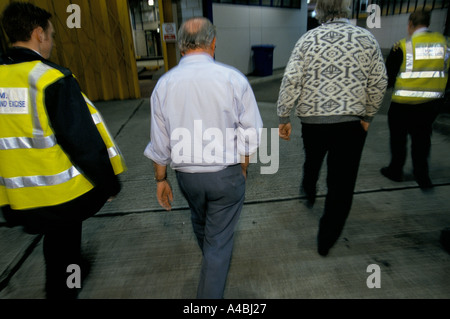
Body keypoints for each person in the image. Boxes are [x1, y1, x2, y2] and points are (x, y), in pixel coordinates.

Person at [0, 2, 126, 299]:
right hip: (59, 196)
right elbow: (82, 142)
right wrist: (109, 184)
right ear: (38, 34)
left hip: (16, 195)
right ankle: (67, 286)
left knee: (57, 246)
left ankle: (74, 271)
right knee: (64, 256)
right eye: (52, 35)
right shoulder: (51, 80)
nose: (52, 42)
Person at [144, 17, 263, 299]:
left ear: (181, 46)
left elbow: (159, 142)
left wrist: (160, 179)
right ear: (213, 42)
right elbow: (252, 132)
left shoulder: (163, 84)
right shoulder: (233, 79)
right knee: (219, 243)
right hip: (225, 173)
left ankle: (212, 258)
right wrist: (243, 165)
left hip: (186, 177)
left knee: (201, 221)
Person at [277, 0, 387, 256]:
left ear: (320, 12)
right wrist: (368, 115)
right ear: (346, 10)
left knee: (313, 159)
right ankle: (325, 240)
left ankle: (309, 186)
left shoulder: (307, 40)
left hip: (313, 123)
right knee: (342, 183)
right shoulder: (366, 38)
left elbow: (291, 79)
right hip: (351, 124)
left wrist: (284, 116)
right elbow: (379, 82)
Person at [380, 10, 450, 189]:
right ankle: (422, 176)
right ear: (428, 23)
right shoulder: (445, 44)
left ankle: (395, 171)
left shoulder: (402, 46)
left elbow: (387, 77)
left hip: (403, 104)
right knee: (422, 139)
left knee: (399, 139)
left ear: (410, 24)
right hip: (430, 104)